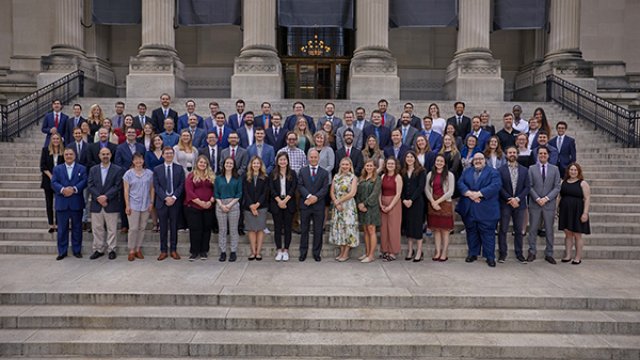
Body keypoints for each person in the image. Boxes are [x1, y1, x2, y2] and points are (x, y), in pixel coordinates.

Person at [456, 153, 502, 267]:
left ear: (485, 160)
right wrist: (470, 194)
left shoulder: (493, 172)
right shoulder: (467, 171)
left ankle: (490, 257)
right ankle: (473, 253)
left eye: (480, 159)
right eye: (475, 159)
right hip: (470, 208)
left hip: (486, 209)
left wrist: (479, 194)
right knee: (471, 232)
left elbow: (496, 185)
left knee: (488, 234)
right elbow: (460, 183)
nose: (478, 161)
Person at [527, 146, 562, 264]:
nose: (542, 155)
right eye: (540, 153)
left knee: (549, 229)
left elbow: (557, 187)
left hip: (549, 204)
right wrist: (537, 198)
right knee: (532, 229)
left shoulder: (555, 169)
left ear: (548, 155)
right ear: (537, 155)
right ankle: (532, 252)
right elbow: (529, 186)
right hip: (535, 203)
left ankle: (549, 253)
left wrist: (546, 198)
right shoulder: (531, 169)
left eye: (544, 153)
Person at [51, 148, 87, 260]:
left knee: (77, 228)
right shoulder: (57, 169)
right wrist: (62, 190)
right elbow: (54, 182)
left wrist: (74, 189)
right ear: (64, 156)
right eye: (66, 154)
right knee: (62, 229)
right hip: (62, 203)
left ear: (74, 156)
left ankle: (77, 250)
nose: (68, 156)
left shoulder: (82, 168)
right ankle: (62, 251)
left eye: (71, 154)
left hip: (76, 202)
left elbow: (84, 181)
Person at [497, 147, 530, 263]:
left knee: (519, 230)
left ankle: (519, 254)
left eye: (514, 152)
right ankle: (502, 254)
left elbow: (527, 187)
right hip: (505, 203)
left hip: (519, 205)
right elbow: (499, 186)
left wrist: (517, 199)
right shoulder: (500, 170)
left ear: (517, 154)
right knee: (503, 229)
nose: (512, 154)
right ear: (506, 155)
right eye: (510, 152)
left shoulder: (525, 170)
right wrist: (510, 198)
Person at [153, 146, 185, 261]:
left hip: (175, 202)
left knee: (174, 226)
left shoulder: (179, 168)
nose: (169, 155)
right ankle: (163, 250)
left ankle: (173, 250)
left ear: (173, 154)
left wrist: (174, 197)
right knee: (163, 227)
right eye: (166, 153)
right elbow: (156, 186)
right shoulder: (157, 169)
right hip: (162, 202)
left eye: (171, 153)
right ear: (162, 155)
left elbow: (181, 184)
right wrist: (166, 198)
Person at [298, 149, 330, 262]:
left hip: (318, 206)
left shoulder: (324, 172)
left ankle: (316, 253)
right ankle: (303, 252)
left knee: (318, 230)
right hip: (305, 205)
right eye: (311, 157)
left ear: (318, 158)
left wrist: (315, 198)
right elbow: (300, 186)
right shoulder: (302, 171)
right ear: (308, 158)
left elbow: (325, 188)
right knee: (304, 230)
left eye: (315, 157)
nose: (313, 159)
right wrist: (308, 196)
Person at [123, 152, 154, 261]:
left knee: (142, 228)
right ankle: (131, 250)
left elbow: (151, 189)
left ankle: (138, 249)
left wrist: (151, 202)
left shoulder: (149, 173)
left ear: (143, 160)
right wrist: (127, 205)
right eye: (136, 159)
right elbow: (126, 191)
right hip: (133, 204)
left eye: (140, 159)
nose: (138, 161)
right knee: (133, 228)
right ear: (133, 161)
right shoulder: (128, 174)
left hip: (145, 204)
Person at [184, 155, 215, 261]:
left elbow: (216, 190)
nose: (202, 164)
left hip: (209, 206)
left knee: (206, 229)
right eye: (200, 162)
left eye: (204, 163)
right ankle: (194, 252)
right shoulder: (191, 176)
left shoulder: (211, 176)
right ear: (197, 163)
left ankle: (204, 251)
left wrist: (211, 200)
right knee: (195, 229)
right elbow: (189, 191)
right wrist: (200, 202)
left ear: (207, 165)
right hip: (194, 207)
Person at [558, 163, 591, 265]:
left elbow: (587, 198)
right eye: (571, 170)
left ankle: (578, 257)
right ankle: (568, 255)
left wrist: (585, 213)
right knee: (568, 234)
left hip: (578, 211)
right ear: (568, 171)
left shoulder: (583, 183)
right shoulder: (563, 182)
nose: (573, 172)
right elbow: (559, 197)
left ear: (578, 172)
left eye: (575, 170)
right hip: (565, 211)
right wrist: (557, 209)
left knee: (577, 234)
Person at [425, 154, 455, 261]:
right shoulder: (430, 174)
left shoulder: (449, 175)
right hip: (433, 203)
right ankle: (437, 252)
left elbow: (451, 191)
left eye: (441, 161)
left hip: (445, 203)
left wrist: (437, 201)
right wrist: (433, 202)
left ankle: (444, 253)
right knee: (436, 230)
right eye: (437, 161)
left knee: (445, 231)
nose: (439, 163)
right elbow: (427, 190)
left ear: (445, 163)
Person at [329, 157, 359, 261]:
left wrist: (339, 201)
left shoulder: (353, 177)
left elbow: (352, 193)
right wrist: (336, 202)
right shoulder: (336, 177)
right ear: (340, 166)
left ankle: (346, 253)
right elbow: (332, 191)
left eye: (347, 164)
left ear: (350, 166)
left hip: (348, 206)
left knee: (348, 229)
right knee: (340, 229)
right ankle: (341, 252)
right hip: (338, 206)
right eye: (343, 164)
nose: (345, 166)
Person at [270, 152, 298, 262]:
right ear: (277, 161)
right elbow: (271, 189)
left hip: (288, 203)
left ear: (287, 161)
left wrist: (285, 200)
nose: (282, 162)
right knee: (277, 228)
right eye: (280, 160)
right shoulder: (273, 174)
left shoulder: (293, 173)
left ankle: (285, 250)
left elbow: (293, 188)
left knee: (287, 228)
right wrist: (279, 201)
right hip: (276, 203)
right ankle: (278, 250)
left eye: (284, 160)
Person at [215, 157, 242, 262]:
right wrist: (221, 205)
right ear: (224, 164)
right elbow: (216, 193)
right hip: (220, 204)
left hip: (233, 204)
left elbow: (239, 193)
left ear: (234, 165)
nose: (229, 165)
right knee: (222, 230)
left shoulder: (237, 178)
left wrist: (230, 205)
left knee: (233, 229)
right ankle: (223, 252)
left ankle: (233, 252)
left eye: (231, 163)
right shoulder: (218, 178)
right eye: (227, 163)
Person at [401, 151, 426, 262]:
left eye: (411, 157)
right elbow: (401, 187)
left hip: (417, 202)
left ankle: (419, 251)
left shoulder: (421, 171)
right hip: (405, 202)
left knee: (417, 227)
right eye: (407, 157)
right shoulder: (403, 171)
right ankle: (410, 250)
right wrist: (404, 200)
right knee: (408, 227)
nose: (409, 159)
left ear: (415, 158)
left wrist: (411, 200)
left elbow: (421, 187)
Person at [243, 156, 269, 260]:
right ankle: (253, 252)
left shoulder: (265, 177)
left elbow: (265, 193)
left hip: (261, 207)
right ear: (251, 165)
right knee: (251, 230)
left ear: (261, 165)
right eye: (254, 163)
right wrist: (251, 206)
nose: (256, 165)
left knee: (260, 229)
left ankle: (258, 252)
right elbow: (245, 192)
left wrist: (257, 205)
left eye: (258, 163)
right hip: (249, 208)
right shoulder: (246, 177)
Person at [356, 159, 381, 263]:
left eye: (371, 166)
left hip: (372, 207)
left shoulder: (377, 179)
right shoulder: (361, 178)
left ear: (374, 167)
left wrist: (364, 204)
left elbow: (375, 194)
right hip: (362, 208)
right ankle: (367, 253)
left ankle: (371, 255)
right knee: (365, 230)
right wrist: (359, 204)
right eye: (367, 166)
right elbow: (357, 193)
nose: (369, 167)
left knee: (371, 230)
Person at [380, 157, 403, 261]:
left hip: (394, 203)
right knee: (384, 228)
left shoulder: (398, 177)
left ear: (395, 165)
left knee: (393, 228)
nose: (390, 165)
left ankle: (393, 252)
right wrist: (380, 204)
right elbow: (379, 191)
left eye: (392, 164)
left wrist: (390, 206)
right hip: (383, 202)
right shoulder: (383, 176)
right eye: (388, 164)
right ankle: (385, 250)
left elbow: (398, 194)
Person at [41, 133, 64, 233]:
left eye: (57, 139)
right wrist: (51, 177)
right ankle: (51, 224)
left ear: (60, 140)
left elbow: (65, 166)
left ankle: (58, 224)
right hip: (48, 180)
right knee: (49, 203)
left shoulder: (63, 151)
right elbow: (43, 166)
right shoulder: (45, 150)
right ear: (51, 140)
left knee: (58, 203)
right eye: (54, 139)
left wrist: (57, 178)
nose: (55, 140)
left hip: (60, 181)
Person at [145, 135, 164, 232]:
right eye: (155, 140)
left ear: (162, 141)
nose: (157, 142)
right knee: (153, 202)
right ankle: (154, 223)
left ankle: (161, 222)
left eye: (159, 140)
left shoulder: (165, 152)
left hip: (163, 180)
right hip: (151, 180)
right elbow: (147, 166)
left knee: (161, 202)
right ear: (152, 142)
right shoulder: (148, 153)